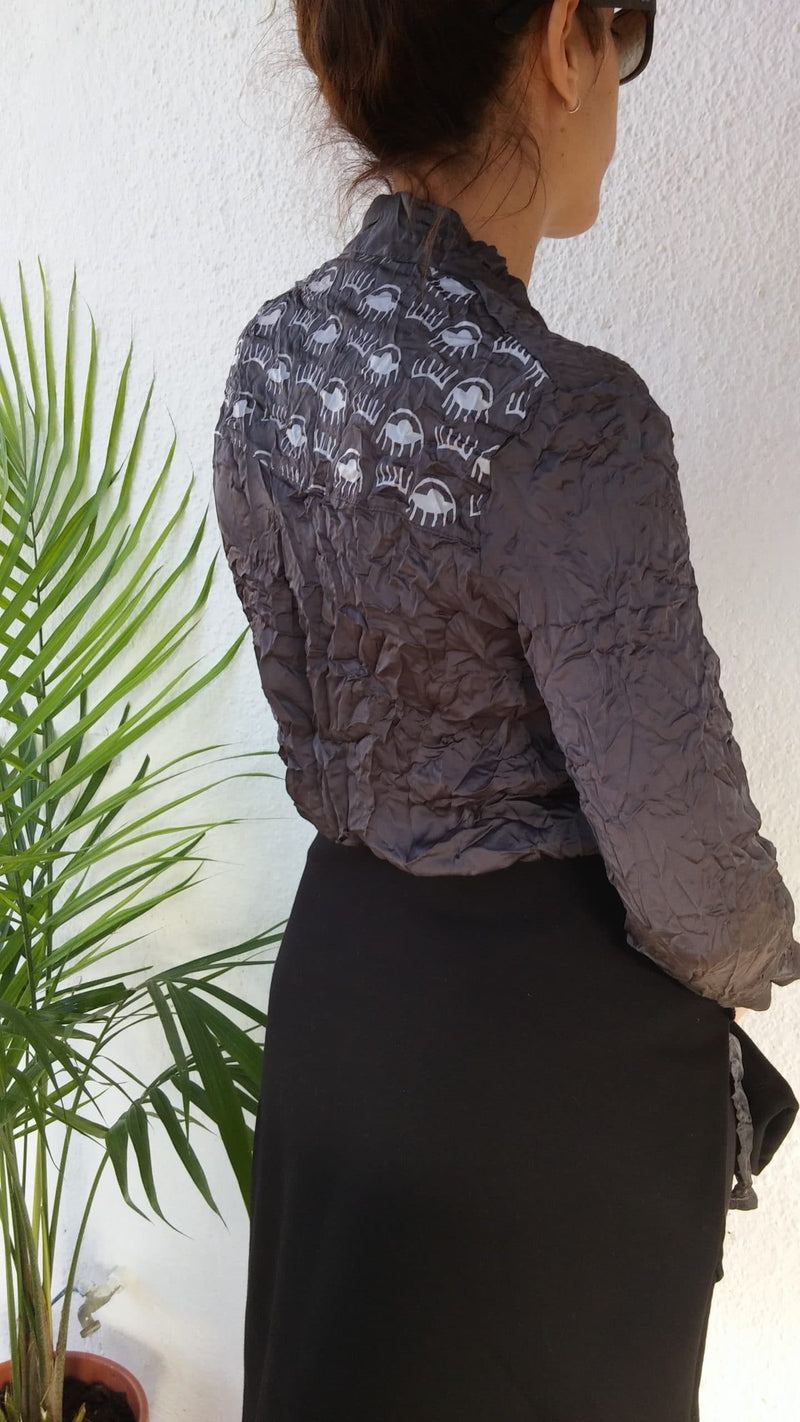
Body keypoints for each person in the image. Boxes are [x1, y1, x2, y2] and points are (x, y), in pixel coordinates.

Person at [212, 3, 800, 1418]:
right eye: (625, 39)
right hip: (534, 1087)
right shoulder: (576, 425)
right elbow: (698, 895)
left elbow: (309, 723)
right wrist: (769, 945)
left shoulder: (271, 362)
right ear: (558, 43)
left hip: (343, 1008)